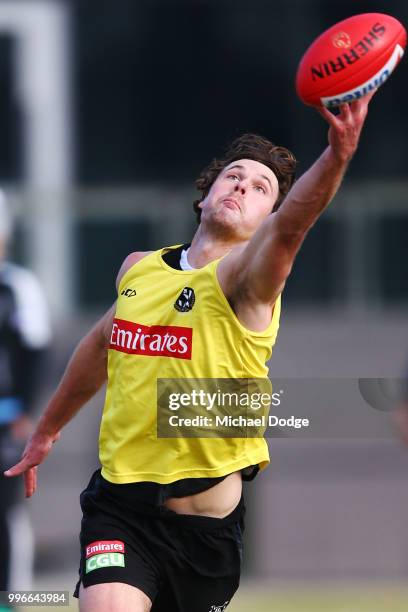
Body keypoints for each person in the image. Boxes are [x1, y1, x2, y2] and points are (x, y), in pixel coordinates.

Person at [4, 94, 374, 612]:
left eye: (261, 188)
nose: (243, 185)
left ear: (267, 218)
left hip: (205, 536)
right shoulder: (139, 268)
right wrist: (48, 427)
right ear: (204, 195)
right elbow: (100, 345)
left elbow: (294, 226)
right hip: (121, 510)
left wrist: (336, 157)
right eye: (233, 176)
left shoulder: (249, 281)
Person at [0, 192, 51, 609]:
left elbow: (36, 351)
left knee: (7, 512)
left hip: (5, 418)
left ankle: (9, 598)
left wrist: (27, 411)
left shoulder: (16, 286)